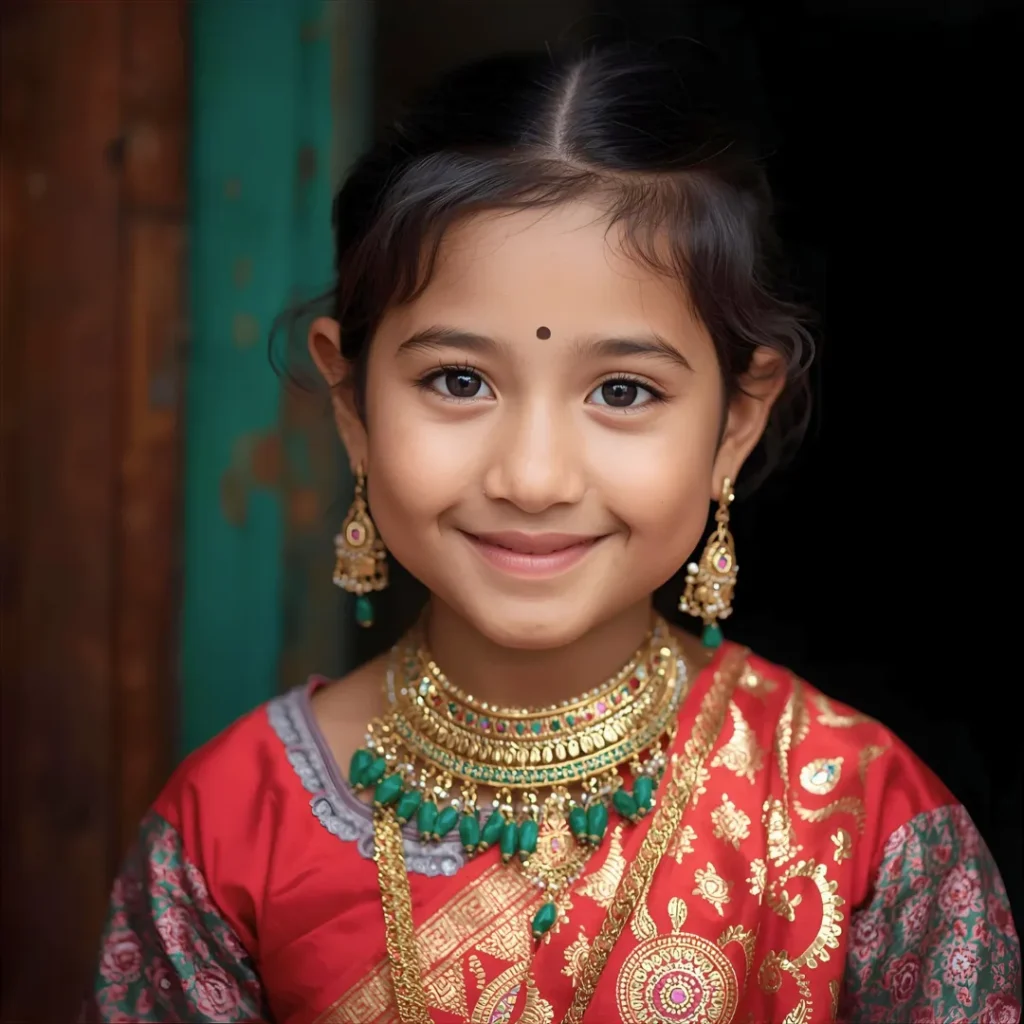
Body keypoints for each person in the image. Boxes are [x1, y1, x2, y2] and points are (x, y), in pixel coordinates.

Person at [84, 45, 1020, 1024]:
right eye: (458, 380)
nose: (532, 478)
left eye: (622, 391)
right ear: (352, 400)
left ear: (735, 421)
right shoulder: (231, 827)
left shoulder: (860, 823)